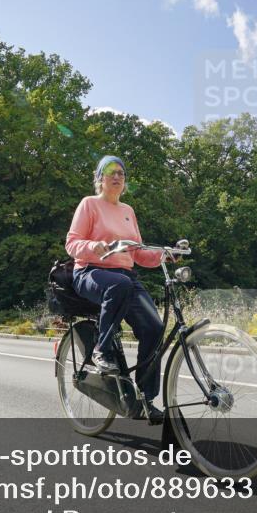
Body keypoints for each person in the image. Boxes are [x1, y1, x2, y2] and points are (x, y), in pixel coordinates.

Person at [65, 155, 166, 423]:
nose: (117, 177)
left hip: (124, 276)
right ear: (100, 178)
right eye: (111, 172)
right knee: (119, 284)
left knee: (154, 328)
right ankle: (102, 349)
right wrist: (92, 247)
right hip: (89, 272)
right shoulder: (89, 204)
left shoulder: (127, 211)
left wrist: (163, 255)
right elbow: (72, 243)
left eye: (121, 173)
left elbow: (139, 254)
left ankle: (145, 399)